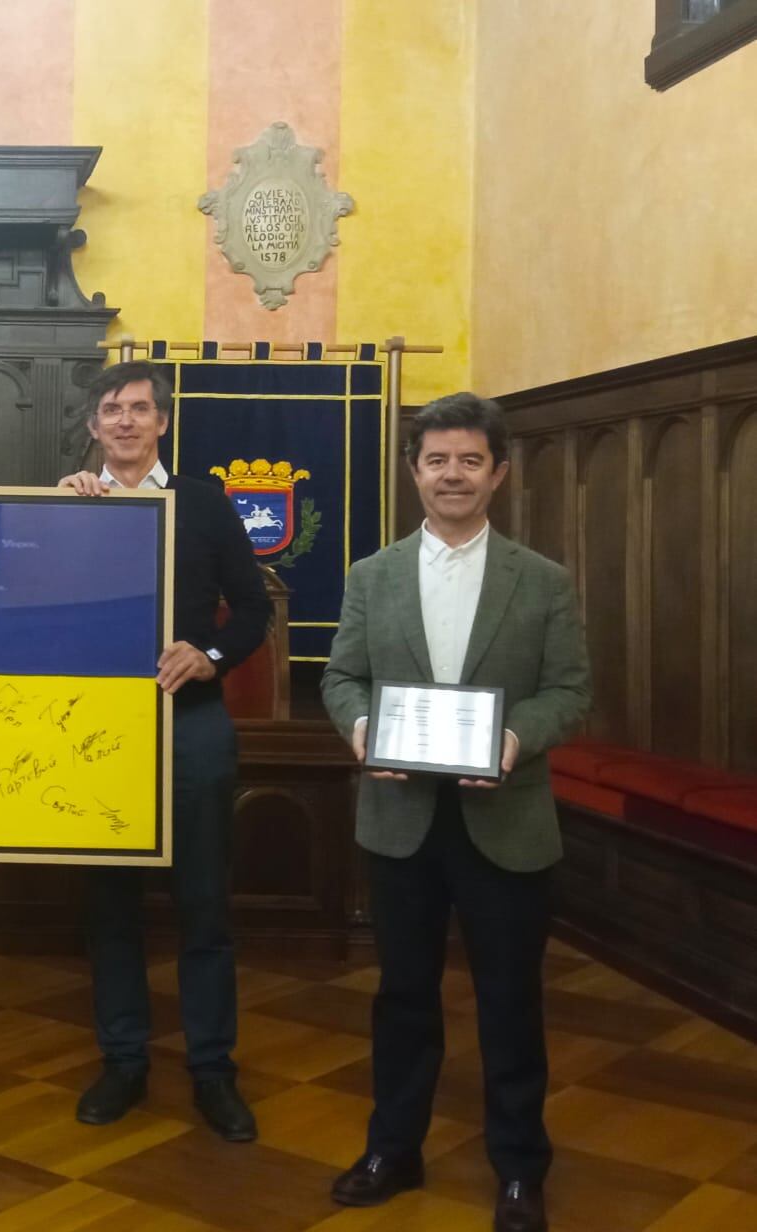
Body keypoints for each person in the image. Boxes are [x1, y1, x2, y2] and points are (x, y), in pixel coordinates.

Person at [321, 393, 590, 1232]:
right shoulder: (370, 576)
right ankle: (392, 1150)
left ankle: (518, 1171)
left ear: (497, 473)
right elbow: (341, 678)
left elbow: (569, 692)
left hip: (504, 817)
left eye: (469, 460)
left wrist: (511, 739)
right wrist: (365, 731)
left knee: (510, 1000)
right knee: (402, 995)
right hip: (399, 817)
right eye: (436, 460)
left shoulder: (542, 581)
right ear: (413, 473)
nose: (451, 474)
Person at [57, 360, 269, 1141]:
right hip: (97, 734)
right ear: (92, 427)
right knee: (110, 905)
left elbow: (251, 612)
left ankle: (212, 1071)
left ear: (162, 422)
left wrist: (207, 656)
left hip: (192, 722)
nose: (123, 421)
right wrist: (55, 516)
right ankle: (123, 1061)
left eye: (139, 409)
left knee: (203, 905)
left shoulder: (206, 505)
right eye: (110, 410)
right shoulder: (69, 504)